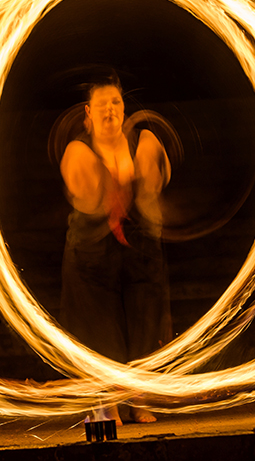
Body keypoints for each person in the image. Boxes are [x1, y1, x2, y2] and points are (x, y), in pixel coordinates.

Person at [59, 72, 172, 424]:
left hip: (139, 248)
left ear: (124, 108)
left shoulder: (144, 141)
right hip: (91, 253)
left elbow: (157, 182)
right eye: (102, 105)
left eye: (116, 103)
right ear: (88, 114)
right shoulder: (77, 151)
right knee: (98, 325)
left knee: (146, 320)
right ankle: (105, 401)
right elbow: (84, 191)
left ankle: (139, 397)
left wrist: (149, 175)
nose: (110, 110)